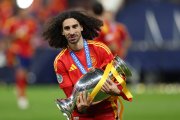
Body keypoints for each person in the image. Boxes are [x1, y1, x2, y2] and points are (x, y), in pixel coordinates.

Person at [43, 10, 131, 120]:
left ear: (82, 27)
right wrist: (80, 108)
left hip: (106, 111)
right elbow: (71, 96)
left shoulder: (100, 49)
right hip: (82, 114)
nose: (71, 31)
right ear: (62, 32)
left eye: (75, 26)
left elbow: (118, 75)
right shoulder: (60, 61)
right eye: (67, 28)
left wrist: (117, 90)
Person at [3, 9, 37, 109]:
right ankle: (22, 97)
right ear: (19, 12)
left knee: (25, 74)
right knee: (20, 72)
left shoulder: (31, 23)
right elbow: (6, 37)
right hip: (16, 51)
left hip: (27, 52)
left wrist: (30, 42)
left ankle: (19, 87)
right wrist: (15, 36)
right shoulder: (12, 22)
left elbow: (32, 36)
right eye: (23, 12)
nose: (24, 13)